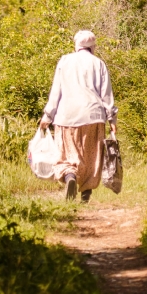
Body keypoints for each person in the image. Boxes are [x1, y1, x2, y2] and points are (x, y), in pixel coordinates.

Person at [39, 30, 118, 202]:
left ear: (76, 45)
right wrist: (112, 118)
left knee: (66, 154)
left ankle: (70, 177)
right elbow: (106, 94)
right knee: (91, 157)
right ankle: (85, 195)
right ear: (92, 46)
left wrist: (47, 116)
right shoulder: (99, 64)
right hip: (93, 116)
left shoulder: (65, 61)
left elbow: (56, 91)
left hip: (66, 116)